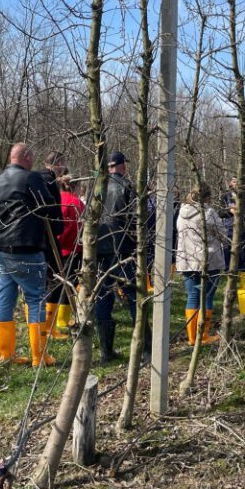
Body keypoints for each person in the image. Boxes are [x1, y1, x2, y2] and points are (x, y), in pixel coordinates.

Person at [0, 143, 62, 367]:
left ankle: (6, 354)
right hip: (25, 247)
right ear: (28, 158)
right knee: (35, 297)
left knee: (5, 296)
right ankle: (39, 356)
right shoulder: (31, 179)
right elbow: (48, 209)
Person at [94, 151, 138, 363]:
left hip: (100, 249)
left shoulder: (98, 187)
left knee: (103, 295)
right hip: (122, 247)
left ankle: (105, 351)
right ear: (121, 166)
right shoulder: (127, 187)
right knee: (132, 294)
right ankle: (144, 348)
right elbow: (135, 218)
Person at [176, 182, 228, 346]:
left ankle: (192, 338)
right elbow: (223, 235)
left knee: (192, 296)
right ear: (207, 196)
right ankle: (203, 335)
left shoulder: (182, 212)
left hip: (187, 259)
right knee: (207, 297)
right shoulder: (209, 212)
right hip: (209, 260)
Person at [37, 152, 68, 340]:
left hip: (38, 237)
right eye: (62, 165)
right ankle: (49, 328)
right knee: (55, 280)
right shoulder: (49, 181)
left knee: (44, 282)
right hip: (48, 237)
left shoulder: (36, 178)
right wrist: (58, 227)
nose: (63, 169)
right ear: (57, 164)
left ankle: (44, 327)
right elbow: (55, 210)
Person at [51, 176, 85, 337]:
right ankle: (61, 319)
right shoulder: (75, 202)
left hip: (58, 247)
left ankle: (54, 318)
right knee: (68, 283)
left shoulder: (56, 198)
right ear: (74, 187)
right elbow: (72, 227)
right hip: (70, 249)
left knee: (56, 283)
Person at [221, 176, 245, 276]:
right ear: (231, 183)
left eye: (239, 182)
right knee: (227, 251)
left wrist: (244, 214)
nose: (236, 184)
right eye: (234, 181)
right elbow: (220, 213)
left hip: (242, 229)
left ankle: (242, 277)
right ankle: (229, 275)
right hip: (228, 229)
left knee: (243, 252)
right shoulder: (225, 196)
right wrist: (229, 211)